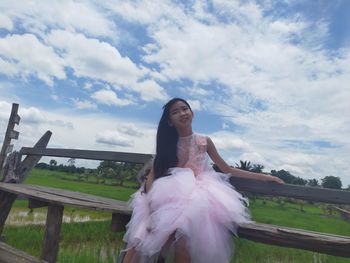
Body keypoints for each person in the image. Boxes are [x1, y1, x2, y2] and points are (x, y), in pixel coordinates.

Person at [122, 98, 283, 263]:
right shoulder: (167, 144)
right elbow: (152, 176)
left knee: (184, 238)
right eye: (175, 112)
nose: (182, 113)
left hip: (200, 194)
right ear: (169, 121)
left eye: (185, 109)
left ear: (192, 113)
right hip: (169, 194)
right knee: (143, 234)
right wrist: (151, 207)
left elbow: (227, 169)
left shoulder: (204, 141)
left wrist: (265, 177)